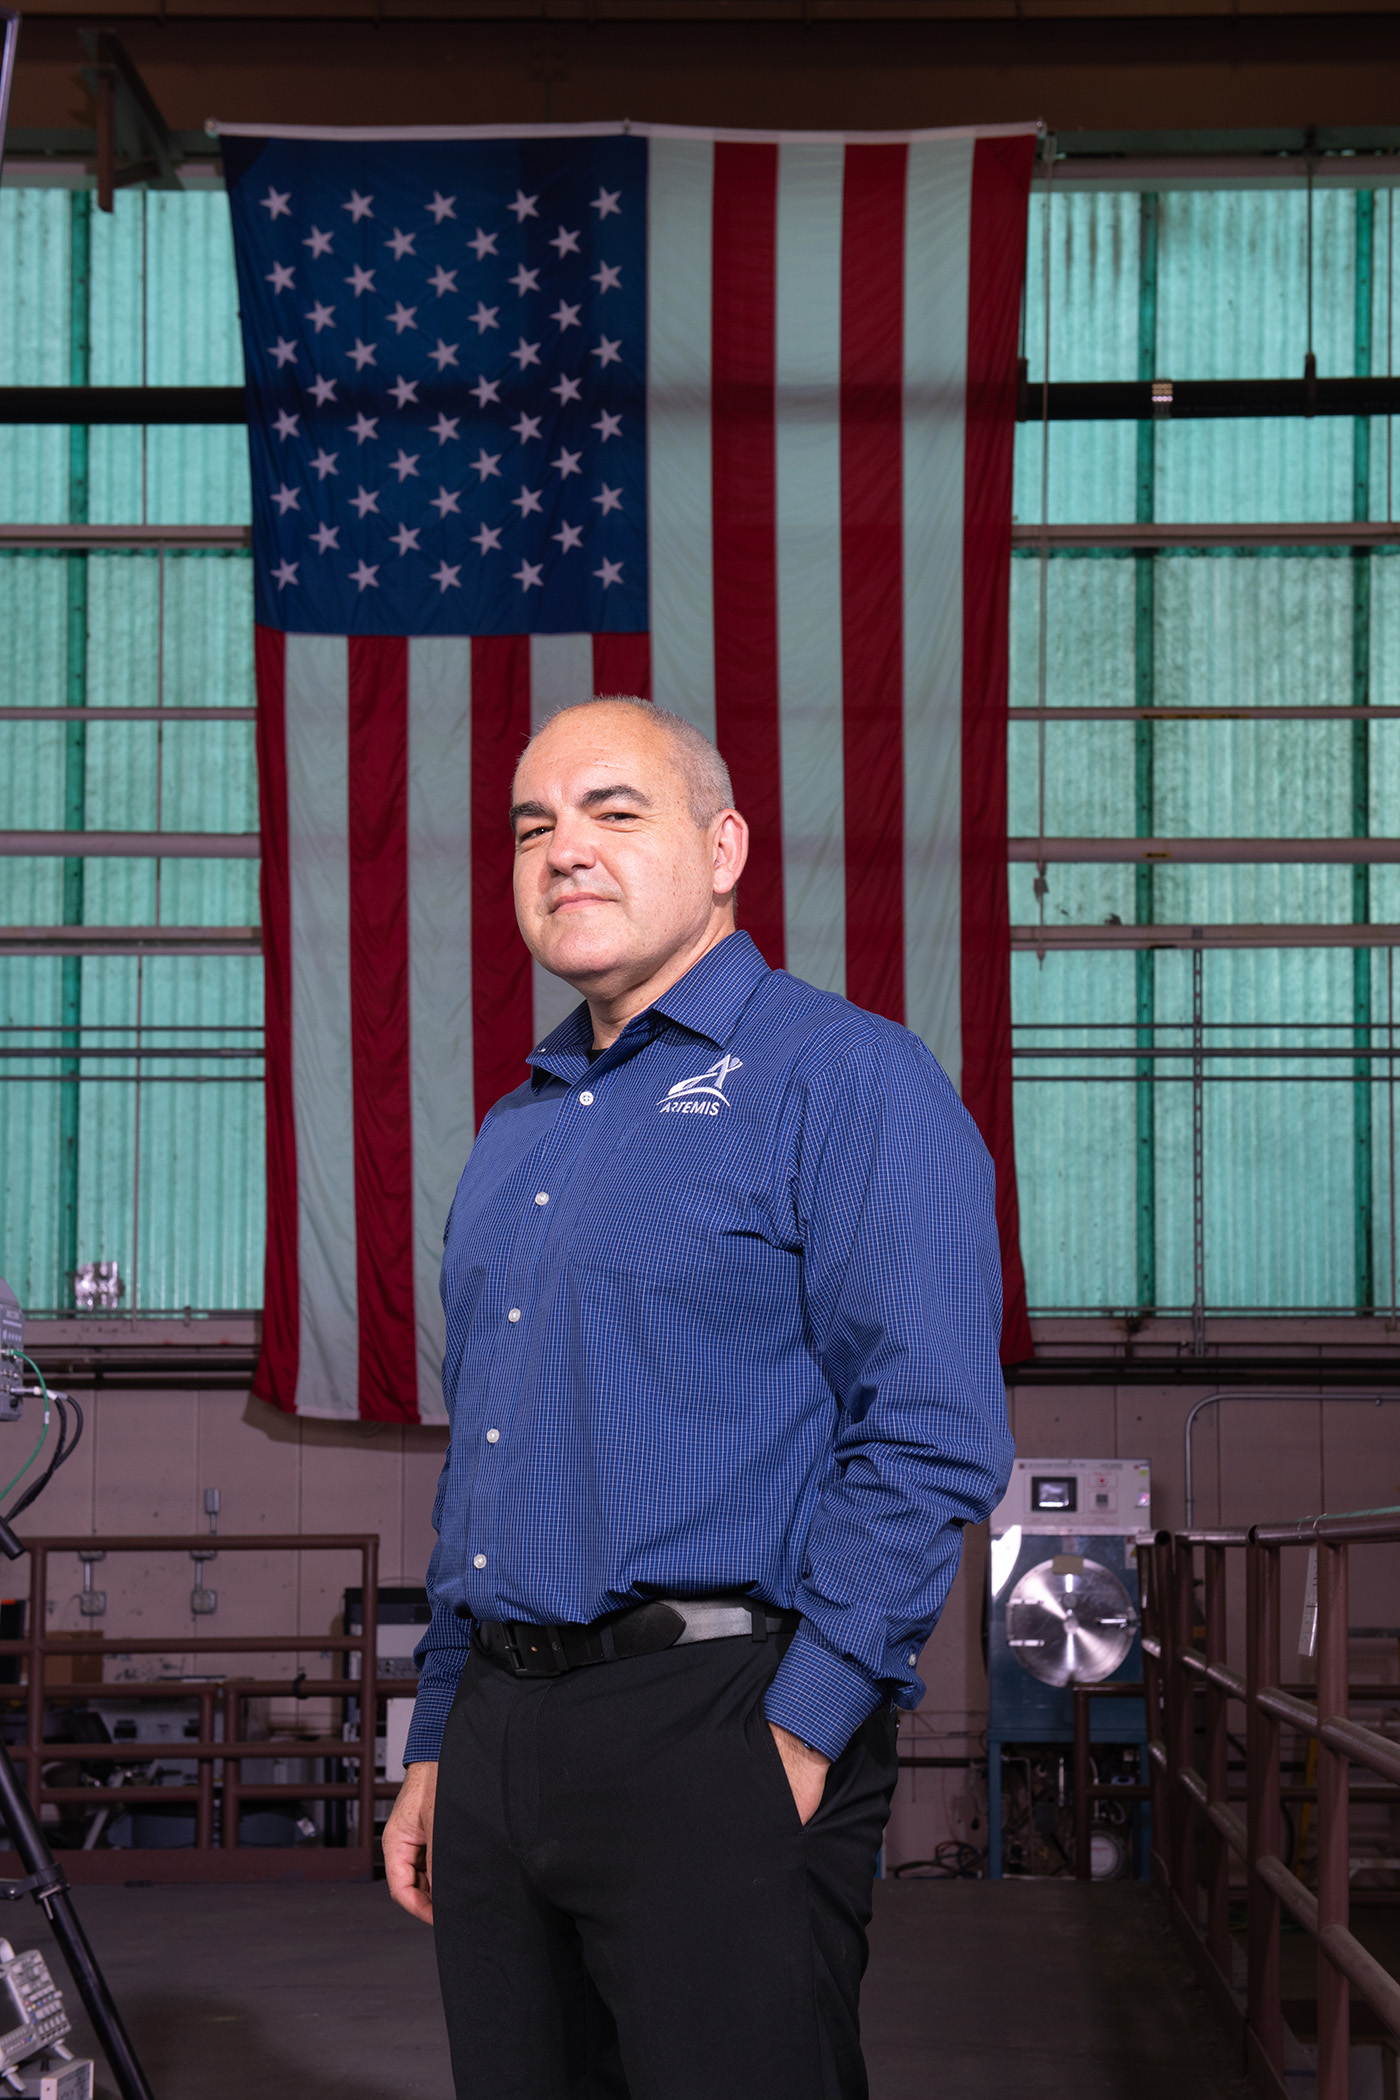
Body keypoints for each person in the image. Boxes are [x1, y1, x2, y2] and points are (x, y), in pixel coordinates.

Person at [382, 695, 1012, 2100]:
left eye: (616, 812)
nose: (565, 853)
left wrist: (801, 1724)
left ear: (723, 847)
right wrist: (438, 1740)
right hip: (499, 1735)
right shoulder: (519, 1127)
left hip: (721, 1716)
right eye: (534, 826)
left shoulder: (843, 1080)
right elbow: (485, 1460)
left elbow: (930, 1433)